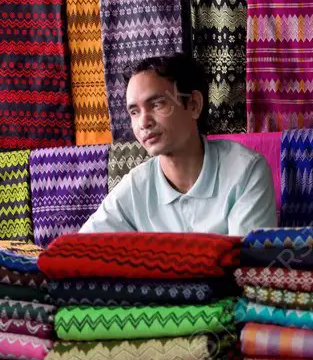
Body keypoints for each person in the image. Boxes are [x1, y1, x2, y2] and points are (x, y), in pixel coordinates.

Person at [80, 53, 277, 236]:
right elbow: (81, 251)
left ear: (194, 105)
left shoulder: (246, 171)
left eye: (157, 104)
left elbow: (249, 267)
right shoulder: (136, 186)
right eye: (134, 112)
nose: (143, 122)